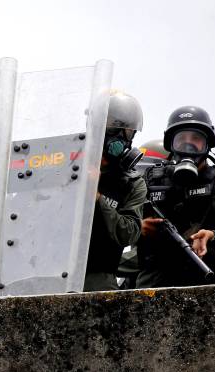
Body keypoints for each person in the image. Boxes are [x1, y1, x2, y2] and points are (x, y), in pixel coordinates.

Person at [137, 106, 215, 287]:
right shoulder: (149, 181)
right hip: (154, 282)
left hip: (208, 280)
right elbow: (121, 229)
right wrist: (139, 228)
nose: (187, 145)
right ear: (171, 145)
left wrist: (212, 236)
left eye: (196, 139)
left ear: (207, 145)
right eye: (181, 139)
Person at [83, 91, 147, 291]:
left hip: (98, 278)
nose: (121, 135)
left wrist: (98, 198)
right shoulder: (67, 165)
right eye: (113, 126)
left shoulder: (132, 183)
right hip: (48, 271)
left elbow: (130, 233)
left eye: (127, 130)